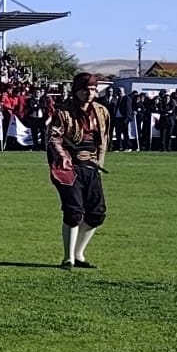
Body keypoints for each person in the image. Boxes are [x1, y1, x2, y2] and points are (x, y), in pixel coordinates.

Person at [49, 72, 111, 270]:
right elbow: (53, 139)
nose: (90, 93)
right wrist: (66, 157)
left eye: (93, 89)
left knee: (96, 214)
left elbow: (103, 141)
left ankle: (79, 253)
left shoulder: (101, 112)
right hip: (68, 168)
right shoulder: (63, 112)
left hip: (91, 167)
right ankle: (68, 258)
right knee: (74, 212)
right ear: (77, 91)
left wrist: (99, 163)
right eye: (86, 90)